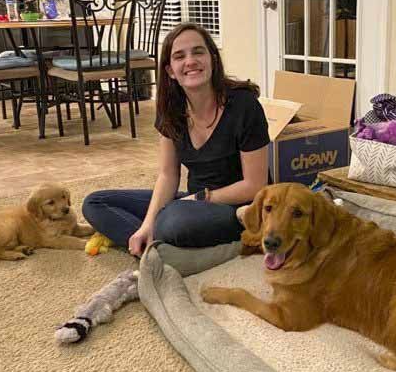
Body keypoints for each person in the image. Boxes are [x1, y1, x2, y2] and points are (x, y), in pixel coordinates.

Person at [81, 22, 270, 258]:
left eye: (198, 52)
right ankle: (156, 248)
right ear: (170, 70)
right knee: (95, 203)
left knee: (173, 223)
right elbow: (168, 175)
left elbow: (255, 185)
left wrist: (202, 198)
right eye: (180, 56)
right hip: (193, 202)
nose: (190, 61)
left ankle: (167, 244)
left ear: (212, 59)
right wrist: (147, 224)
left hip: (240, 207)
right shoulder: (171, 109)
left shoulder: (244, 105)